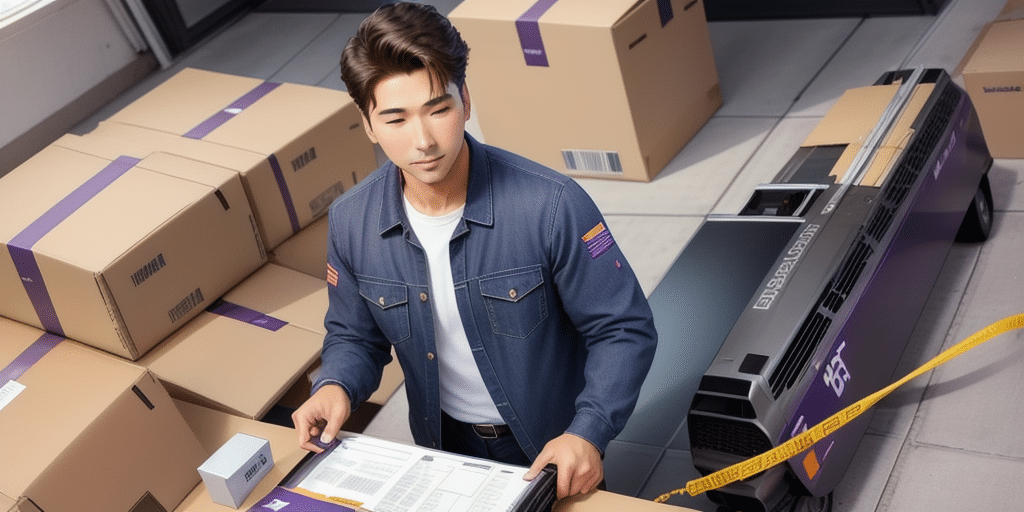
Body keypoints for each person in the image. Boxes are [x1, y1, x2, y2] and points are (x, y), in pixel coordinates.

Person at [292, 1, 657, 500]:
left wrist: (587, 432)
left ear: (465, 98)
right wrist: (335, 384)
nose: (423, 141)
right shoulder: (351, 221)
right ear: (368, 123)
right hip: (441, 446)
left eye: (438, 109)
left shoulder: (550, 205)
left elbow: (623, 328)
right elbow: (354, 336)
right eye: (396, 120)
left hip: (551, 447)